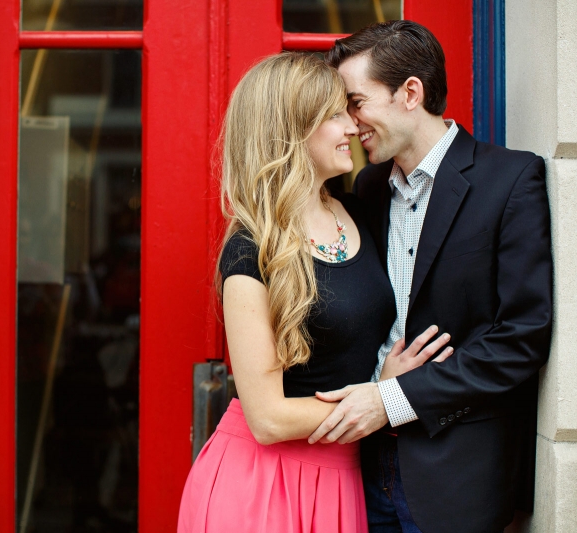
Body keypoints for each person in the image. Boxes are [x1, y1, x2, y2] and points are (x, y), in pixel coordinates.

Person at [177, 52, 452, 533]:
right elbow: (267, 419)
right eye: (333, 115)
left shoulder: (360, 209)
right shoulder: (249, 249)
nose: (352, 126)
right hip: (263, 486)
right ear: (289, 131)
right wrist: (381, 396)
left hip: (345, 476)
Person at [308, 21, 553, 533]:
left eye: (356, 102)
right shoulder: (368, 187)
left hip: (456, 481)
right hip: (361, 469)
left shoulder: (511, 179)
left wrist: (390, 400)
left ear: (410, 93)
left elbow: (521, 338)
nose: (350, 123)